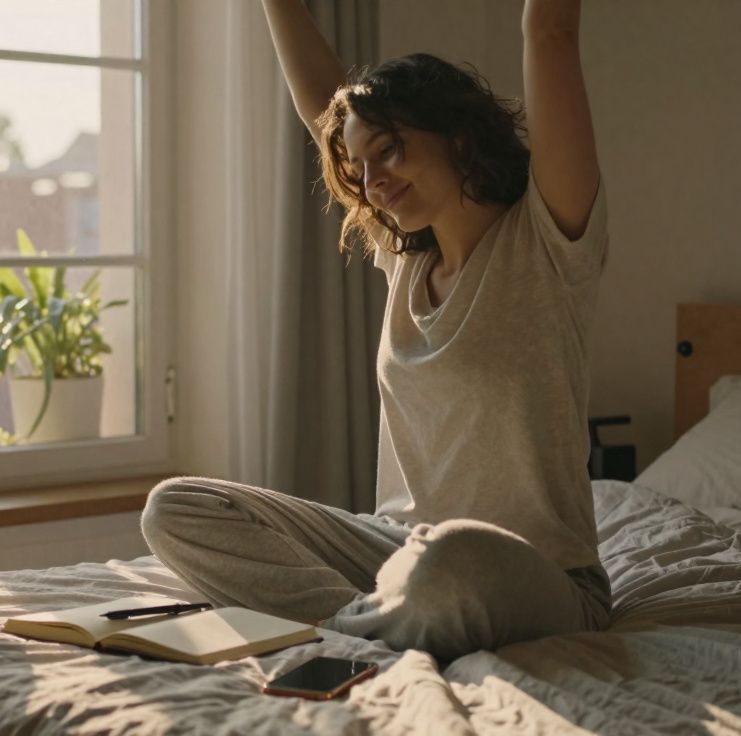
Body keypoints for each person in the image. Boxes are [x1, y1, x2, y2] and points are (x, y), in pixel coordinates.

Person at [141, 0, 612, 664]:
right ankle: (357, 625)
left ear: (459, 135)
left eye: (388, 150)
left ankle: (357, 628)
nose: (372, 181)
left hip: (531, 572)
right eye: (360, 165)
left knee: (451, 561)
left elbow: (552, 31)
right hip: (396, 551)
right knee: (174, 508)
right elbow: (323, 110)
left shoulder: (547, 243)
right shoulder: (405, 259)